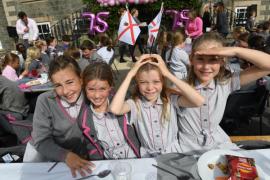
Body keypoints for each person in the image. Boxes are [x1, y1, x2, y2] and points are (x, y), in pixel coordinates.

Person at [177, 32, 270, 154]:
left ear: (222, 61)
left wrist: (235, 51)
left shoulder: (225, 84)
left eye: (213, 59)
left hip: (218, 145)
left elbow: (267, 66)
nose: (206, 66)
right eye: (200, 58)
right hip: (186, 149)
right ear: (191, 60)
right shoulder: (178, 85)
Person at [110, 54, 204, 157]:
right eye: (143, 82)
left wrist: (168, 74)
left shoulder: (170, 99)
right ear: (137, 83)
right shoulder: (135, 103)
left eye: (156, 81)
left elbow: (198, 101)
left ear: (163, 81)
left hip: (173, 154)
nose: (150, 88)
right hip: (148, 158)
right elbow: (115, 109)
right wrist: (130, 74)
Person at [23, 56, 95, 178]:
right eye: (58, 85)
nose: (66, 91)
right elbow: (41, 141)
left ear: (81, 79)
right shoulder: (45, 101)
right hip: (51, 160)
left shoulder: (92, 96)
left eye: (70, 82)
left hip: (85, 160)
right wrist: (65, 155)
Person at [78, 62, 140, 159]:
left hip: (136, 160)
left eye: (102, 89)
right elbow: (92, 146)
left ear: (110, 88)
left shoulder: (124, 106)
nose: (97, 95)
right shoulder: (84, 119)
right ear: (84, 88)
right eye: (91, 89)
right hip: (109, 165)